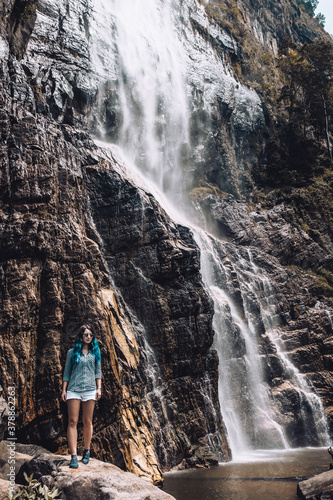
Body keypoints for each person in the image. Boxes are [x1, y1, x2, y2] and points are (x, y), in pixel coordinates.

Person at [61, 325, 102, 468]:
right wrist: (64, 390)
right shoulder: (71, 353)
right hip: (74, 389)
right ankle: (73, 456)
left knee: (87, 421)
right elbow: (66, 372)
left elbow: (98, 372)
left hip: (90, 390)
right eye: (86, 335)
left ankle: (86, 450)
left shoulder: (95, 352)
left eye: (91, 335)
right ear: (81, 336)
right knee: (72, 421)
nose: (89, 337)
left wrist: (99, 388)